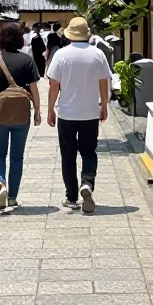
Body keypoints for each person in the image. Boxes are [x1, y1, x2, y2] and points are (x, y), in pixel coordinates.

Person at [46, 16, 110, 214]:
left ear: (70, 35)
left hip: (67, 113)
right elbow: (103, 82)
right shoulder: (98, 54)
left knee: (68, 155)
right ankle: (87, 183)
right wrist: (104, 105)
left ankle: (71, 197)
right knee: (89, 152)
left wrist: (50, 109)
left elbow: (53, 85)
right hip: (90, 112)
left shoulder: (61, 55)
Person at [0, 22, 42, 210]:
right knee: (17, 157)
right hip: (22, 115)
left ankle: (1, 183)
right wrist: (37, 110)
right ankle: (13, 197)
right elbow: (34, 89)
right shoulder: (27, 60)